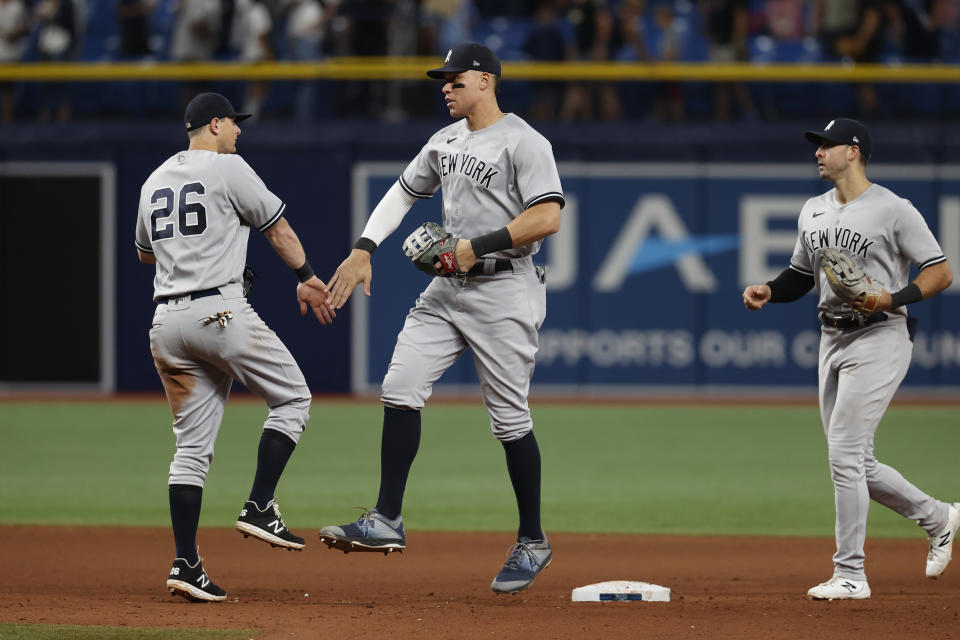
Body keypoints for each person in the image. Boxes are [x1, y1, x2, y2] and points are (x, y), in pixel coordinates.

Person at [313, 42, 564, 595]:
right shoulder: (444, 141)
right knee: (399, 387)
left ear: (486, 80)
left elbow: (547, 217)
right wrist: (362, 249)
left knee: (509, 420)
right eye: (442, 80)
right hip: (448, 287)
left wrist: (476, 246)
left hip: (505, 289)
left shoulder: (525, 141)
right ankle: (386, 519)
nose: (445, 87)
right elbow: (402, 195)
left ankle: (532, 539)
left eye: (455, 78)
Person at [742, 118, 959, 601]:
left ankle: (851, 574)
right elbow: (800, 276)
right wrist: (768, 290)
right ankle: (939, 517)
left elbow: (940, 271)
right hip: (831, 339)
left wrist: (891, 298)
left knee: (843, 454)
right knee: (856, 459)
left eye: (827, 145)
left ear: (854, 152)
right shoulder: (812, 210)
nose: (818, 152)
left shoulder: (892, 208)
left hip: (881, 334)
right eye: (817, 146)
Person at [135, 92, 334, 602]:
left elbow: (144, 255)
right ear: (215, 123)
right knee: (293, 398)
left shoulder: (153, 179)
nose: (240, 132)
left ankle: (186, 563)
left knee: (191, 451)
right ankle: (260, 505)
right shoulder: (230, 168)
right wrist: (308, 277)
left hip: (166, 321)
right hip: (219, 313)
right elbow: (279, 229)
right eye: (235, 124)